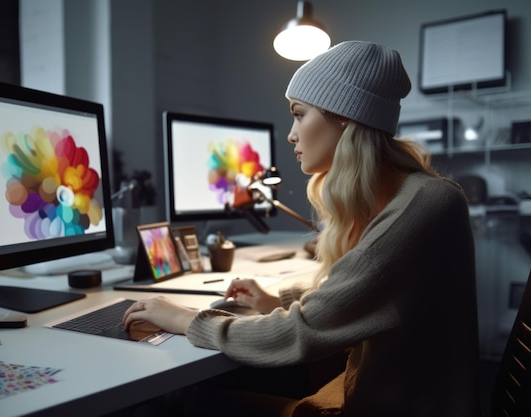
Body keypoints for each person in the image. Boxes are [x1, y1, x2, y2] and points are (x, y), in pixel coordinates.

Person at [122, 40, 480, 416]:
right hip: (383, 399)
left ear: (344, 116)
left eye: (299, 114)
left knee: (183, 405)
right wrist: (279, 300)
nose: (292, 134)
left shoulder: (425, 205)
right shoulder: (414, 196)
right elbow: (365, 294)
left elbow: (299, 333)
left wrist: (185, 319)